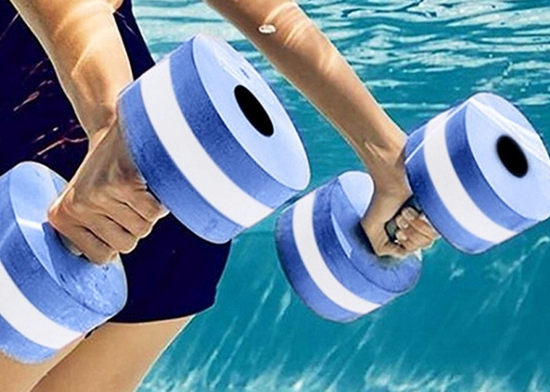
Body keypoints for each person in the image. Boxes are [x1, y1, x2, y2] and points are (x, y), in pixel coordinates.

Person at [0, 0, 438, 391]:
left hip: (60, 203)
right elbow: (274, 17)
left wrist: (114, 129)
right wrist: (388, 155)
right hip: (178, 204)